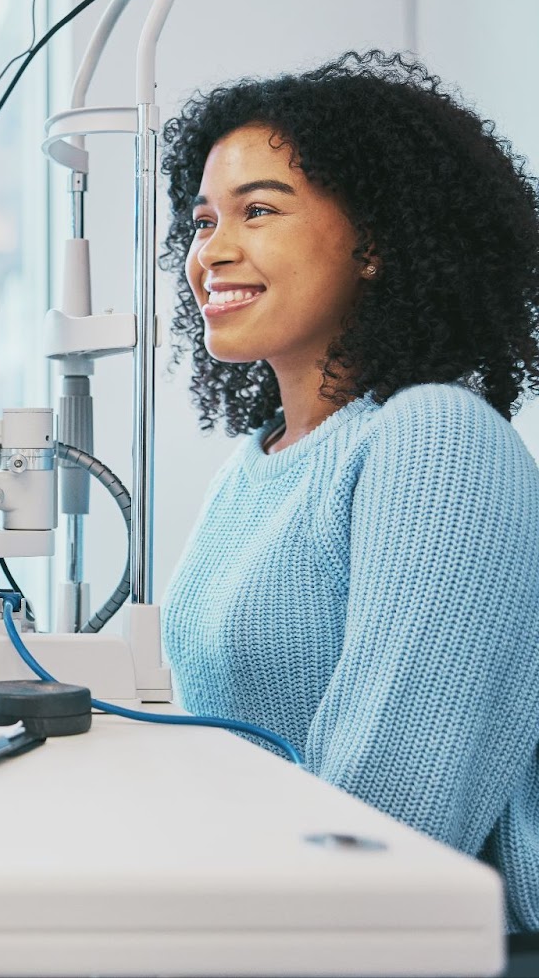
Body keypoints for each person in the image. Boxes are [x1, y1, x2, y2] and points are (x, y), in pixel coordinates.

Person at [160, 50, 539, 951]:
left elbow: (387, 821)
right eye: (204, 219)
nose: (210, 251)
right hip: (283, 918)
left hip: (388, 942)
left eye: (258, 212)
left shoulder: (437, 440)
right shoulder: (254, 469)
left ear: (373, 242)